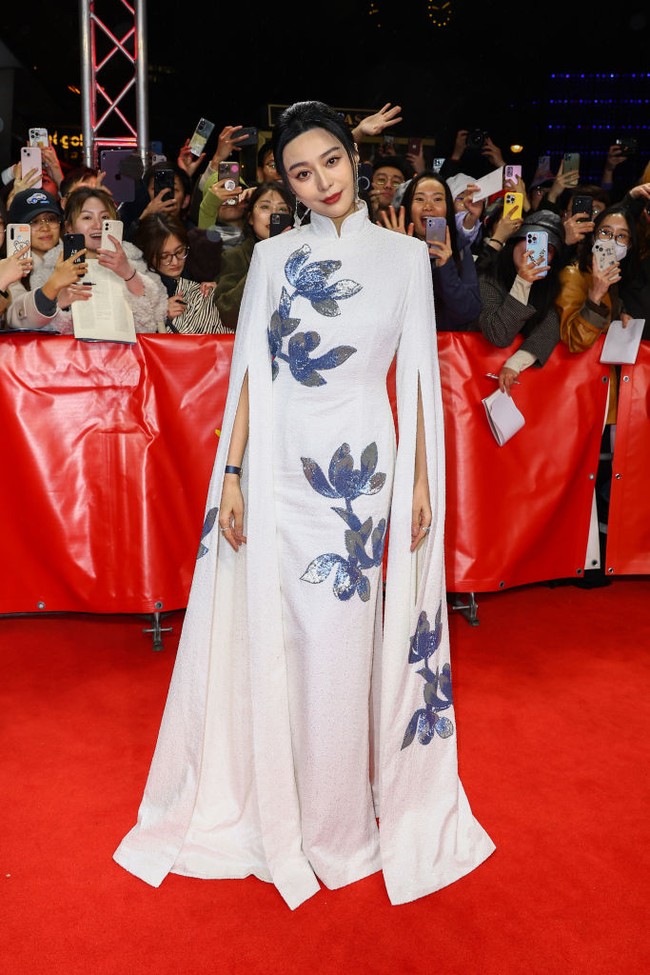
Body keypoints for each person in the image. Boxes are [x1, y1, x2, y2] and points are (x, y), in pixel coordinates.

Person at [113, 99, 495, 910]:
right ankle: (273, 794)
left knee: (339, 641)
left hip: (362, 472)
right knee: (279, 632)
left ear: (354, 158)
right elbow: (253, 374)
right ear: (284, 184)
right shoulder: (274, 256)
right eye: (301, 172)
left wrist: (421, 481)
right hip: (279, 468)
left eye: (331, 161)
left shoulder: (404, 257)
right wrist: (232, 472)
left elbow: (418, 378)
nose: (322, 181)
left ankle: (337, 817)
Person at [30, 186, 167, 333]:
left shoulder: (134, 262)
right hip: (72, 348)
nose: (98, 225)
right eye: (87, 217)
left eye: (105, 217)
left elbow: (157, 316)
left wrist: (129, 274)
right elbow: (39, 327)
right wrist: (60, 302)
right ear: (69, 226)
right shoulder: (50, 268)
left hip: (127, 347)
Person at [475, 210, 565, 394]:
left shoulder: (548, 286)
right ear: (515, 241)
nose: (535, 252)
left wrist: (515, 364)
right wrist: (522, 283)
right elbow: (499, 335)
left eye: (547, 249)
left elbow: (550, 326)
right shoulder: (489, 276)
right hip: (473, 376)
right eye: (532, 241)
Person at [379, 170, 482, 330]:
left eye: (437, 199)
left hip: (444, 343)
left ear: (448, 208)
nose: (428, 206)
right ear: (408, 207)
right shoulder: (388, 245)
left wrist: (446, 268)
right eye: (419, 199)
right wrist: (398, 257)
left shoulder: (459, 248)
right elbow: (381, 310)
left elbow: (469, 313)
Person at [214, 181, 294, 329]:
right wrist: (269, 256)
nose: (273, 214)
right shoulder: (235, 256)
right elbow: (227, 312)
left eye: (282, 209)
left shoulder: (300, 254)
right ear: (250, 218)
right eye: (265, 207)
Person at [3, 188, 83, 331]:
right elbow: (16, 316)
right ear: (17, 228)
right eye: (34, 221)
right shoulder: (8, 268)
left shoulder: (77, 255)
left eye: (51, 219)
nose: (45, 228)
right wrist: (53, 287)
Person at [134, 213, 229, 334]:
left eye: (179, 251)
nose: (175, 262)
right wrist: (160, 316)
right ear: (148, 256)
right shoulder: (141, 288)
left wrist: (219, 290)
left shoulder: (202, 266)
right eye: (165, 256)